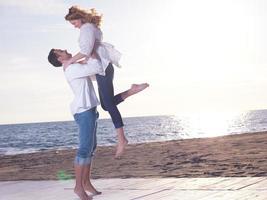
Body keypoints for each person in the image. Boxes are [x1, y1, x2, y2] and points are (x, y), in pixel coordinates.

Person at [64, 5, 149, 158]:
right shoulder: (91, 27)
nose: (74, 26)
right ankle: (132, 90)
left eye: (74, 22)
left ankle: (122, 140)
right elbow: (91, 52)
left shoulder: (87, 28)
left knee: (108, 105)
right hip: (103, 68)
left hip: (103, 68)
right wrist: (79, 62)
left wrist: (70, 61)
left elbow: (86, 51)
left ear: (79, 18)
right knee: (105, 105)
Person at [48, 49, 102, 200]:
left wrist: (83, 61)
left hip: (89, 110)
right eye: (61, 51)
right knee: (85, 149)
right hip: (84, 111)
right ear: (59, 58)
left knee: (90, 149)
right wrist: (88, 55)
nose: (65, 50)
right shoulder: (72, 68)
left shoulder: (74, 67)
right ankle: (78, 187)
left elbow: (94, 75)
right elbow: (97, 68)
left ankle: (86, 183)